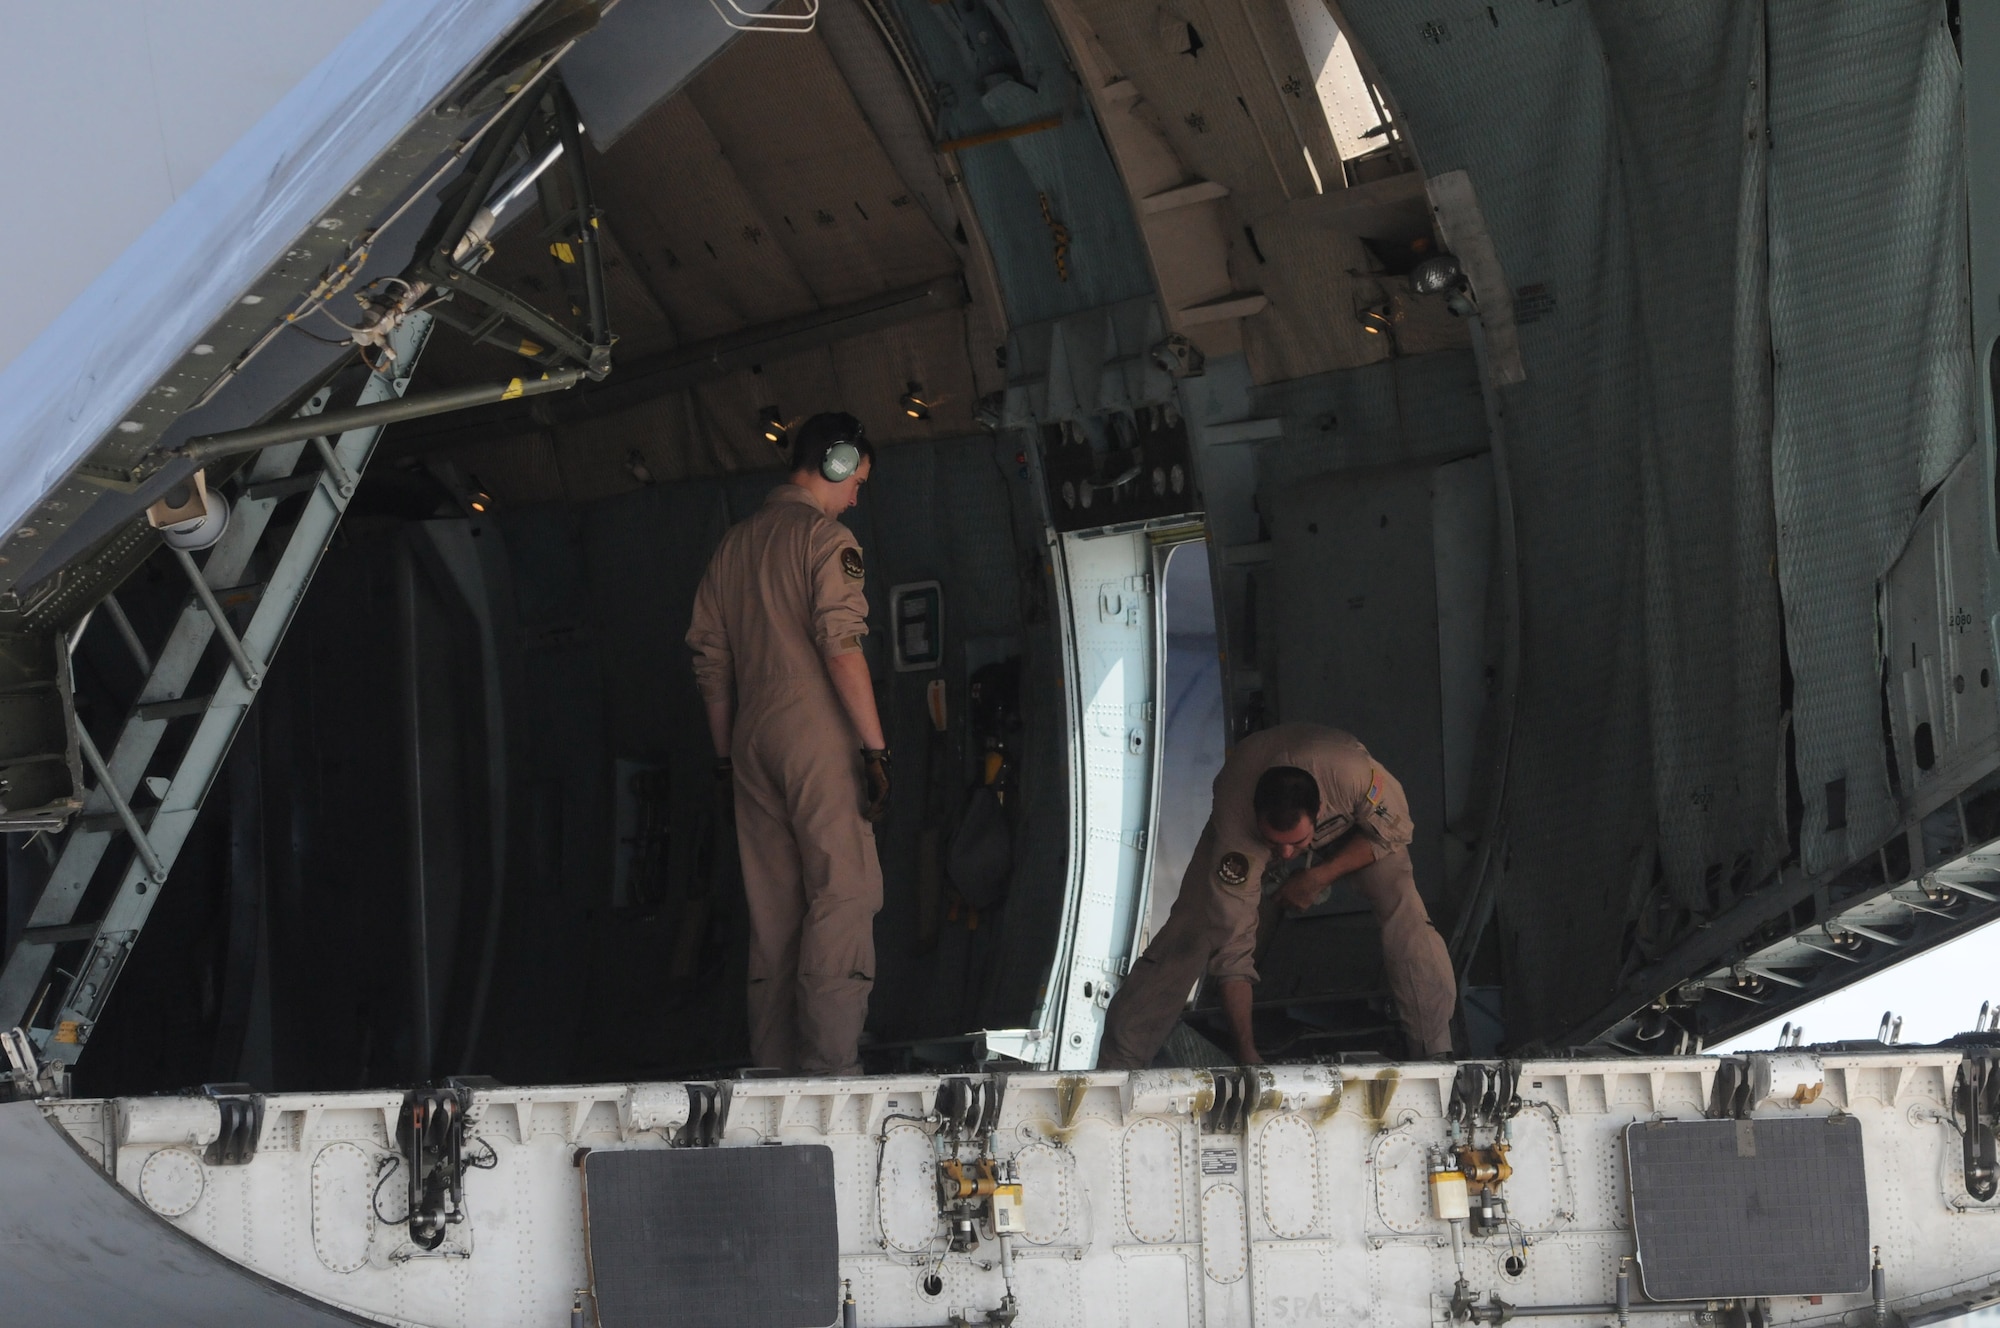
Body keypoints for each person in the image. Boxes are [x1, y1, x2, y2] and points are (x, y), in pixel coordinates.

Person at [686, 412, 892, 1076]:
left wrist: (724, 760)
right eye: (857, 479)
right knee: (845, 889)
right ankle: (831, 1069)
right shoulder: (825, 539)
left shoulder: (733, 546)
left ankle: (773, 1070)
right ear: (833, 464)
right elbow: (841, 649)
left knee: (774, 907)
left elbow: (711, 667)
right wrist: (875, 749)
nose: (857, 493)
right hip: (814, 728)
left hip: (749, 738)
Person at [1097, 722, 1456, 1068]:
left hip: (1350, 831)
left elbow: (1394, 831)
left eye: (1296, 844)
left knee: (1402, 904)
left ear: (1317, 813)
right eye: (1276, 844)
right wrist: (1247, 1054)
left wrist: (1317, 876)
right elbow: (1234, 945)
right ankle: (1122, 1061)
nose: (1287, 855)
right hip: (1249, 841)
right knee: (1197, 926)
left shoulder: (1353, 775)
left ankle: (1435, 1052)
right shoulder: (1236, 824)